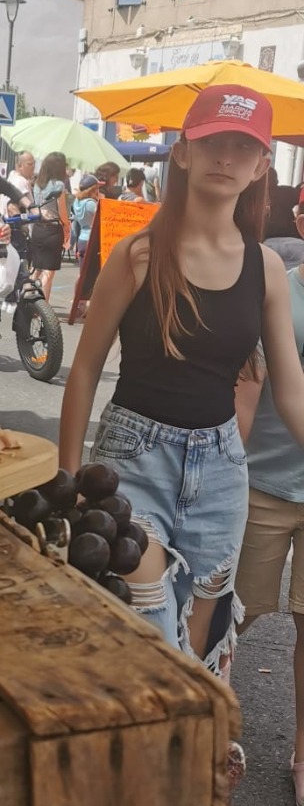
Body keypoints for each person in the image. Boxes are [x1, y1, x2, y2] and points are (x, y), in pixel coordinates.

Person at [59, 84, 304, 674]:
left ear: (261, 165)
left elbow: (291, 389)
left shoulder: (267, 268)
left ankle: (178, 732)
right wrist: (67, 483)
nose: (226, 157)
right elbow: (84, 369)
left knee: (199, 646)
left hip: (222, 472)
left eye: (243, 147)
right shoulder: (138, 254)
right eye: (213, 141)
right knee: (152, 632)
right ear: (184, 152)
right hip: (132, 461)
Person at [235, 246, 304, 806]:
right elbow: (249, 388)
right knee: (231, 614)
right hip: (263, 485)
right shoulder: (280, 290)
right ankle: (199, 719)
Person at [30, 151, 71, 301]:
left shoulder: (37, 184)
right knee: (49, 271)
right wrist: (67, 225)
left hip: (38, 228)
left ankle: (27, 298)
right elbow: (62, 211)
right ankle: (43, 305)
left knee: (36, 268)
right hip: (53, 229)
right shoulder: (59, 185)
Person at [71, 174, 99, 262]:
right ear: (93, 189)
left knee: (82, 268)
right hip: (92, 239)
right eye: (97, 188)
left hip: (82, 238)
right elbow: (101, 216)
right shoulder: (90, 204)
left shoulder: (76, 202)